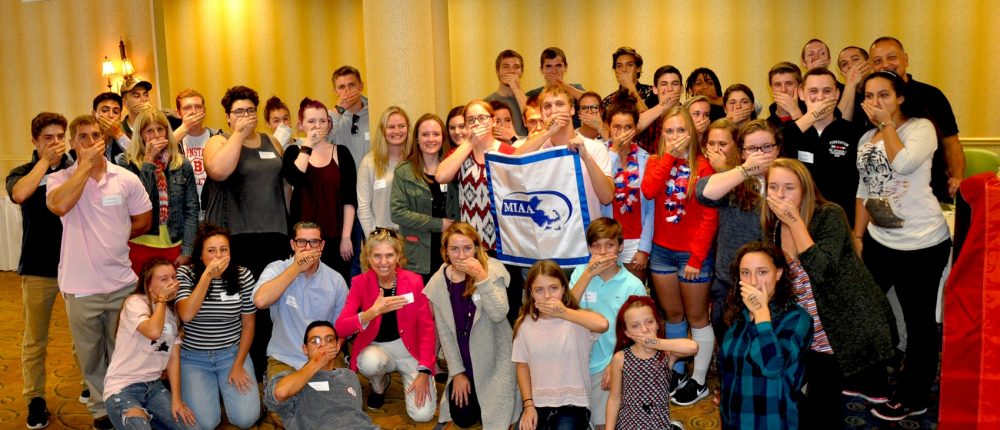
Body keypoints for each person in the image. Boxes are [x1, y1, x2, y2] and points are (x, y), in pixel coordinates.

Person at [762, 158, 896, 427]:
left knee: (824, 406)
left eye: (789, 187)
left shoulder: (828, 215)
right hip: (803, 327)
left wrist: (796, 223)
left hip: (839, 325)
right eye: (773, 187)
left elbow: (822, 271)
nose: (779, 195)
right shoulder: (772, 226)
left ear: (805, 190)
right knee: (796, 399)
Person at [853, 70, 952, 421]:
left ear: (900, 98)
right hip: (881, 240)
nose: (876, 102)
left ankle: (915, 396)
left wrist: (888, 127)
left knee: (920, 322)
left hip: (922, 244)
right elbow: (864, 190)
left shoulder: (920, 129)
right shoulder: (866, 137)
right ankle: (873, 379)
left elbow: (904, 162)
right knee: (864, 309)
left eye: (884, 95)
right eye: (869, 96)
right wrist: (858, 235)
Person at [46, 115, 153, 430]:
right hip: (81, 288)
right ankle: (99, 409)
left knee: (122, 352)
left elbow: (143, 219)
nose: (91, 142)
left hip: (120, 283)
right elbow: (61, 206)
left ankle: (123, 400)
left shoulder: (125, 179)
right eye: (83, 137)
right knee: (91, 356)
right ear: (73, 143)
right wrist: (83, 168)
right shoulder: (59, 179)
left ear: (104, 140)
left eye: (96, 136)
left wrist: (117, 237)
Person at [202, 85, 287, 380]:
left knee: (270, 304)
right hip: (239, 236)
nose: (246, 116)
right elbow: (219, 172)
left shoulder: (270, 142)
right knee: (245, 305)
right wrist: (238, 134)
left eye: (250, 110)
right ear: (227, 116)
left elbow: (283, 186)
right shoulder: (218, 141)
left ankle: (268, 364)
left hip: (274, 233)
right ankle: (244, 365)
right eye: (239, 111)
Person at [639, 106, 718, 405]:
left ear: (692, 132)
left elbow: (709, 218)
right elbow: (648, 190)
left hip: (692, 255)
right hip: (661, 252)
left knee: (697, 317)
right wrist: (670, 157)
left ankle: (699, 380)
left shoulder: (704, 166)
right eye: (669, 131)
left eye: (681, 130)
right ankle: (679, 369)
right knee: (672, 315)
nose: (675, 137)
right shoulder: (658, 161)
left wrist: (697, 259)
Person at [696, 120, 781, 383]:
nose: (760, 154)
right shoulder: (733, 179)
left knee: (767, 342)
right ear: (742, 151)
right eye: (752, 148)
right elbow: (703, 193)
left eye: (767, 147)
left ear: (777, 150)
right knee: (730, 342)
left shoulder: (786, 180)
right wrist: (744, 170)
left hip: (774, 282)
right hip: (730, 280)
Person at [7, 112, 74, 429]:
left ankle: (92, 389)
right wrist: (45, 163)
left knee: (84, 336)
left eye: (60, 136)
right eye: (48, 137)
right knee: (35, 339)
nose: (56, 143)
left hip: (76, 266)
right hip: (37, 267)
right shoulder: (22, 172)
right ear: (35, 141)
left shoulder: (74, 168)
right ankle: (35, 398)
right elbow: (20, 194)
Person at [424, 223, 519, 429]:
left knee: (498, 417)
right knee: (463, 418)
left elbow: (498, 314)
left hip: (496, 359)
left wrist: (482, 278)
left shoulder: (492, 269)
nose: (461, 255)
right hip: (465, 361)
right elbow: (446, 334)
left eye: (467, 248)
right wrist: (457, 372)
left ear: (477, 247)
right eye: (454, 249)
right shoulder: (439, 281)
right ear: (446, 252)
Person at [335, 231, 437, 422]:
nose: (383, 262)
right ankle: (379, 385)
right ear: (368, 257)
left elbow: (426, 328)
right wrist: (371, 313)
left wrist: (424, 370)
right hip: (377, 348)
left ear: (398, 256)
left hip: (410, 350)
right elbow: (340, 328)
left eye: (389, 255)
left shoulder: (414, 281)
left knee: (422, 415)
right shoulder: (360, 283)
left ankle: (413, 376)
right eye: (377, 255)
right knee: (369, 362)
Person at [719, 241, 813, 429]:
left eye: (762, 272)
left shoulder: (797, 319)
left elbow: (772, 366)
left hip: (772, 420)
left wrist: (761, 314)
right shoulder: (738, 317)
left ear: (778, 273)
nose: (753, 281)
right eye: (745, 273)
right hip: (734, 420)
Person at [175, 224, 260, 429]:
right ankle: (208, 395)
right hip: (193, 357)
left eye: (223, 249)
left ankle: (224, 395)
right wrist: (207, 276)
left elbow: (248, 323)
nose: (218, 255)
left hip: (231, 354)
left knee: (246, 419)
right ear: (201, 253)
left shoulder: (243, 275)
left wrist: (238, 364)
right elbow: (186, 314)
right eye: (211, 250)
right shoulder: (185, 274)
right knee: (205, 423)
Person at [567, 218, 647, 429]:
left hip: (609, 364)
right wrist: (588, 275)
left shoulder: (633, 285)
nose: (602, 252)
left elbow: (639, 336)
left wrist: (615, 362)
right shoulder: (579, 272)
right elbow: (565, 310)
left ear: (620, 247)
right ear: (589, 248)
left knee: (604, 423)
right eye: (596, 246)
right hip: (577, 361)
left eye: (609, 245)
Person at [512, 260, 609, 430]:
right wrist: (528, 406)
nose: (547, 296)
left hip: (573, 404)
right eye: (539, 290)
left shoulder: (576, 318)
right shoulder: (525, 324)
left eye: (553, 288)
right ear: (531, 293)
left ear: (563, 289)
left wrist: (563, 312)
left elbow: (602, 324)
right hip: (537, 404)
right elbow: (522, 366)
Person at [103, 258, 197, 430]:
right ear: (149, 283)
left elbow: (173, 358)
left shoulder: (172, 314)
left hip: (154, 387)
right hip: (123, 388)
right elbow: (153, 331)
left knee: (190, 427)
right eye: (164, 279)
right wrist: (161, 300)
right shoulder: (135, 303)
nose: (172, 283)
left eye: (174, 277)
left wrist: (177, 401)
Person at [868, 36, 964, 200]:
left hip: (930, 189)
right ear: (871, 67)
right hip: (884, 192)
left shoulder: (932, 95)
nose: (885, 65)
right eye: (877, 61)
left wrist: (957, 177)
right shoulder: (868, 100)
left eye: (892, 57)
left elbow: (951, 142)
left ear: (905, 59)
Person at [253, 222, 349, 378]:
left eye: (314, 242)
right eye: (302, 242)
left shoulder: (336, 280)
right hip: (285, 358)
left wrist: (328, 354)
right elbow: (260, 301)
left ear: (322, 246)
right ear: (292, 244)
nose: (308, 248)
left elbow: (343, 327)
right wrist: (297, 268)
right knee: (282, 398)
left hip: (324, 355)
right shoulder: (277, 268)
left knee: (331, 399)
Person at [281, 98, 357, 281]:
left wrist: (346, 236)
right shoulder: (293, 152)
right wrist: (308, 144)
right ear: (301, 125)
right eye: (311, 121)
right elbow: (294, 178)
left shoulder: (342, 153)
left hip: (335, 237)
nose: (318, 126)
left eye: (323, 121)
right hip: (304, 240)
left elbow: (349, 198)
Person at [515, 86, 614, 222]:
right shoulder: (537, 148)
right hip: (551, 231)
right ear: (542, 114)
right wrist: (548, 131)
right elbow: (511, 163)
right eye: (547, 106)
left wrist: (586, 157)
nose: (554, 111)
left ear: (572, 110)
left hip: (587, 233)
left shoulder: (595, 147)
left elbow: (607, 197)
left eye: (560, 104)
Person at [118, 110, 200, 272]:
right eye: (149, 131)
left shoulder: (181, 164)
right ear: (140, 135)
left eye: (160, 129)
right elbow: (137, 204)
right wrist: (148, 161)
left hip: (174, 243)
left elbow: (191, 210)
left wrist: (188, 250)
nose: (156, 135)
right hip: (139, 244)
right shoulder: (126, 162)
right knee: (140, 297)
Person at [781, 68, 862, 225]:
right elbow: (776, 146)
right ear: (801, 94)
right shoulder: (790, 132)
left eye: (827, 91)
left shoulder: (853, 133)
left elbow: (861, 187)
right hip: (798, 219)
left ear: (837, 95)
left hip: (842, 220)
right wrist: (811, 117)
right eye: (813, 91)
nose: (820, 97)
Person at [264, 321, 379, 430]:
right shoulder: (291, 379)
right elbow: (279, 394)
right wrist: (316, 363)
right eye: (315, 341)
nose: (323, 344)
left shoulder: (349, 375)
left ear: (337, 346)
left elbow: (356, 414)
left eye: (329, 340)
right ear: (305, 349)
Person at [605, 295, 696, 430]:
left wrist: (656, 342)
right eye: (635, 326)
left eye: (649, 322)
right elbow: (614, 399)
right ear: (627, 332)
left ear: (657, 323)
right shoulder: (621, 358)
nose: (644, 329)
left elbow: (693, 347)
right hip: (628, 424)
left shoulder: (666, 354)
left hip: (658, 424)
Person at [437, 100, 517, 252]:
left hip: (504, 241)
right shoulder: (460, 153)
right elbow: (441, 176)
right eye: (471, 120)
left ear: (493, 121)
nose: (476, 123)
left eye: (482, 118)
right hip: (470, 242)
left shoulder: (507, 152)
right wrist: (469, 143)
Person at [390, 113, 459, 282]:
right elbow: (397, 212)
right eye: (425, 134)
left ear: (443, 137)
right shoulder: (404, 171)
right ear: (417, 139)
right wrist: (438, 224)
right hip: (417, 252)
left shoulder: (455, 167)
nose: (431, 139)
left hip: (451, 248)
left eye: (436, 134)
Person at [603, 97, 654, 280]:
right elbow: (600, 187)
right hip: (606, 240)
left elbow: (651, 210)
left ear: (635, 129)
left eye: (628, 127)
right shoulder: (599, 155)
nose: (622, 133)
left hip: (636, 240)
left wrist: (644, 249)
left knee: (633, 299)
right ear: (608, 127)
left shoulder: (646, 159)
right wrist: (614, 151)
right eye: (616, 127)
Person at [357, 106, 411, 237]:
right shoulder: (370, 162)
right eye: (391, 127)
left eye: (401, 126)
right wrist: (373, 237)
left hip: (413, 234)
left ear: (408, 128)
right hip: (382, 235)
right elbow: (363, 207)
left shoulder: (416, 160)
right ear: (383, 130)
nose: (397, 131)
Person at [174, 89, 220, 201]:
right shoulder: (173, 139)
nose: (194, 111)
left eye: (198, 107)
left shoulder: (218, 136)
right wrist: (184, 128)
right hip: (185, 209)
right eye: (187, 108)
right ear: (178, 113)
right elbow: (157, 157)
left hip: (213, 205)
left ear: (204, 111)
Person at [329, 65, 371, 170]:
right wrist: (339, 110)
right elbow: (322, 143)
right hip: (343, 182)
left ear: (361, 86)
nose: (347, 91)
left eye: (352, 85)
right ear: (335, 91)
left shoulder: (375, 113)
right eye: (341, 87)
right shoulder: (329, 118)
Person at [485, 50, 529, 136]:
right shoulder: (487, 103)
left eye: (516, 67)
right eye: (506, 67)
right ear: (498, 70)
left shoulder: (530, 101)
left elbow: (530, 117)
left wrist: (516, 88)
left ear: (522, 72)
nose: (511, 71)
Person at [602, 46, 658, 112]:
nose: (624, 69)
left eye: (629, 65)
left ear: (638, 69)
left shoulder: (653, 93)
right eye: (619, 66)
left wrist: (630, 86)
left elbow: (648, 119)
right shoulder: (607, 101)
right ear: (615, 70)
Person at [834, 46, 871, 123]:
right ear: (842, 73)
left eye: (855, 59)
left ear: (869, 63)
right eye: (844, 64)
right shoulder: (838, 95)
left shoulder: (883, 85)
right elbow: (840, 126)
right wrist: (850, 83)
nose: (850, 66)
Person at [92, 92, 132, 161]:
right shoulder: (87, 140)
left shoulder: (127, 137)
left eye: (116, 112)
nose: (111, 115)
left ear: (120, 117)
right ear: (94, 114)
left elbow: (139, 160)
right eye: (105, 110)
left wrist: (117, 133)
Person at [765, 62, 805, 129]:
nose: (783, 90)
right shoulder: (767, 126)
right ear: (771, 89)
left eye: (789, 83)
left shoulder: (813, 117)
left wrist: (795, 112)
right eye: (778, 85)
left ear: (800, 87)